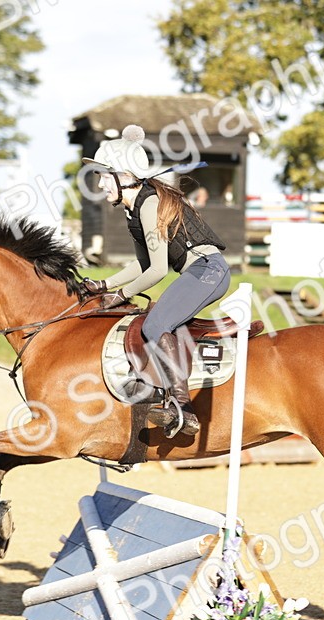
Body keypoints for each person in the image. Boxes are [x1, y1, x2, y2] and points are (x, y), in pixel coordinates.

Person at [82, 124, 230, 438]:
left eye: (104, 178)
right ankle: (152, 384)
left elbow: (158, 271)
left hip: (207, 270)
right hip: (199, 272)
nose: (101, 186)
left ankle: (181, 407)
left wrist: (121, 294)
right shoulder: (133, 210)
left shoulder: (149, 205)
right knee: (157, 320)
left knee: (154, 324)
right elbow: (142, 265)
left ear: (123, 177)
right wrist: (104, 286)